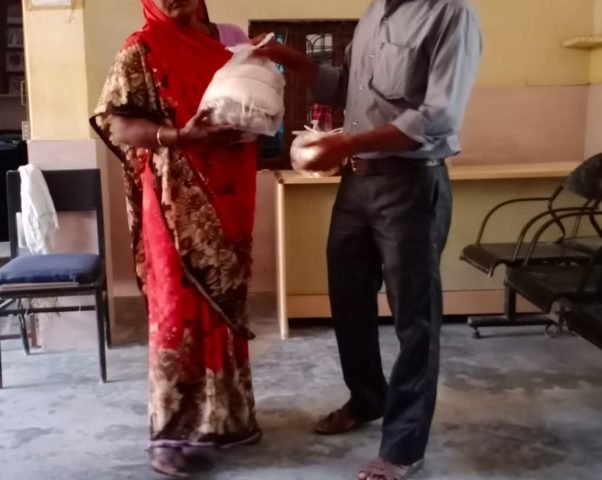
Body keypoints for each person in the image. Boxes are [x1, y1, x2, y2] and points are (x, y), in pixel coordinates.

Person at [256, 0, 482, 478]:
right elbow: (346, 87)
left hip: (411, 184)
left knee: (415, 319)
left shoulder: (450, 14)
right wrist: (291, 59)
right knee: (348, 298)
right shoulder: (375, 12)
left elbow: (439, 114)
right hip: (356, 183)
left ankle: (403, 448)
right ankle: (367, 398)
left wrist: (346, 143)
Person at [90, 1, 260, 477]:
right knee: (176, 307)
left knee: (223, 305)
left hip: (229, 190)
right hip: (171, 199)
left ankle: (226, 421)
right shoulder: (141, 49)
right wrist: (181, 136)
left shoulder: (227, 40)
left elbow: (257, 99)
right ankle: (170, 434)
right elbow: (120, 125)